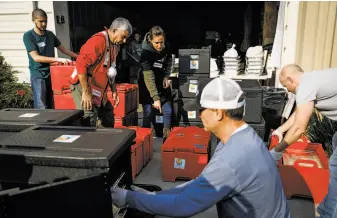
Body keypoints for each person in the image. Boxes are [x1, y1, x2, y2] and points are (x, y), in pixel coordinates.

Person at [110, 77, 291, 218]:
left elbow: (182, 206)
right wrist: (156, 196)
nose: (197, 114)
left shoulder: (233, 158)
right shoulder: (242, 136)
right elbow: (201, 184)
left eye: (201, 109)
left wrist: (128, 199)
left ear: (218, 113)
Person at [269, 64, 337, 218]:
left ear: (291, 80)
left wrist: (276, 152)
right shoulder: (311, 80)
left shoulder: (306, 86)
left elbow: (299, 127)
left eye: (286, 86)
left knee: (335, 165)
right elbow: (300, 113)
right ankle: (327, 210)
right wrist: (281, 130)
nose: (288, 91)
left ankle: (330, 214)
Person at [69, 17, 132, 127]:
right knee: (89, 117)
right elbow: (81, 64)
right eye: (124, 37)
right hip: (83, 84)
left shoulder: (115, 46)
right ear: (114, 30)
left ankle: (106, 142)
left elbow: (111, 70)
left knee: (107, 115)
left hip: (98, 87)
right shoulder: (98, 41)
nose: (125, 41)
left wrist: (114, 90)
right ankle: (89, 142)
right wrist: (86, 91)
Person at [23, 8, 78, 109]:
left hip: (52, 74)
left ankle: (53, 125)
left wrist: (78, 57)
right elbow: (36, 58)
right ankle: (42, 124)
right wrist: (58, 59)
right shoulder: (28, 36)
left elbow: (64, 50)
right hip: (38, 75)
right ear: (33, 20)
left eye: (45, 21)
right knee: (41, 106)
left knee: (53, 104)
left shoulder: (50, 35)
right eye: (41, 21)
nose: (44, 24)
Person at [137, 26, 173, 141]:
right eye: (156, 43)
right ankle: (144, 140)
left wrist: (166, 76)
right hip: (146, 82)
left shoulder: (166, 46)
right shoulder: (145, 53)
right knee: (147, 113)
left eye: (161, 42)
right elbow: (148, 77)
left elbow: (169, 60)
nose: (159, 46)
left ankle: (166, 140)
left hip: (160, 78)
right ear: (150, 41)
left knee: (168, 110)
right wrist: (155, 97)